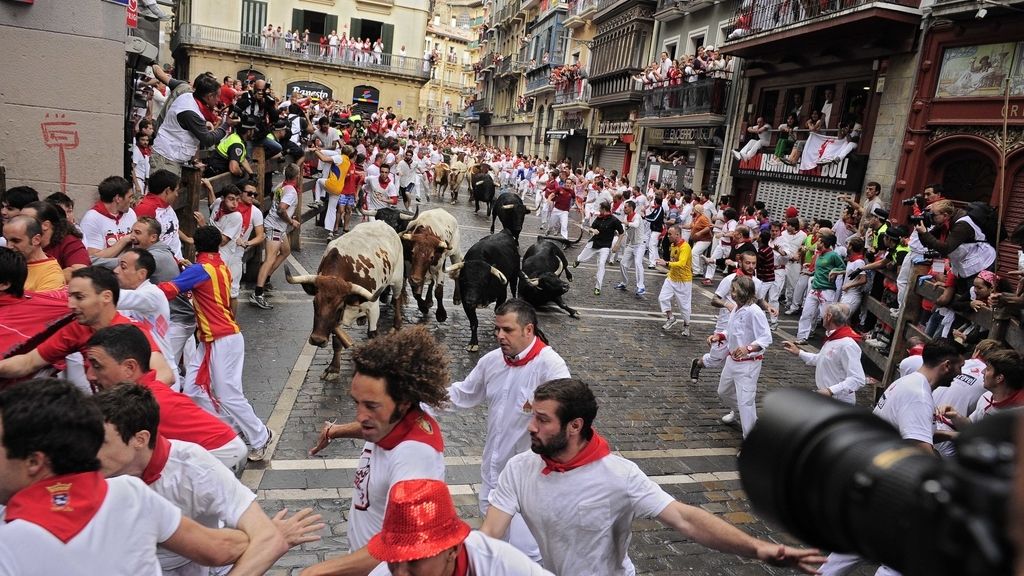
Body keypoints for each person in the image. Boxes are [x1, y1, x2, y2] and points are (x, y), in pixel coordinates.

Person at [481, 378, 824, 576]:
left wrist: (759, 548)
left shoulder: (619, 476)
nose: (530, 426)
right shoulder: (519, 468)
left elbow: (686, 519)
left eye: (542, 419)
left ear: (575, 426)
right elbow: (491, 535)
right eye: (533, 416)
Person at [0, 378, 255, 575]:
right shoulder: (130, 494)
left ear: (34, 462)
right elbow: (220, 549)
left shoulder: (8, 541)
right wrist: (265, 535)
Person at [94, 384, 321, 575]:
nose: (89, 451)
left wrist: (262, 536)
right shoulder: (85, 471)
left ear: (140, 439)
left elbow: (268, 539)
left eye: (101, 442)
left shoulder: (194, 467)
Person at [301, 326, 450, 576]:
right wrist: (335, 431)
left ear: (403, 403)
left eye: (371, 406)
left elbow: (402, 543)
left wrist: (317, 572)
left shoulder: (415, 459)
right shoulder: (391, 421)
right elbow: (373, 425)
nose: (360, 415)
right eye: (356, 403)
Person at [817, 338, 965, 576]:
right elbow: (920, 448)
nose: (960, 374)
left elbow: (910, 429)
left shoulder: (908, 381)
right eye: (959, 366)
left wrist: (948, 435)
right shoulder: (918, 395)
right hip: (894, 482)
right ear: (946, 365)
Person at [440, 299, 568, 561]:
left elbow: (564, 425)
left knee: (525, 556)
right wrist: (416, 401)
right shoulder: (492, 361)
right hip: (492, 475)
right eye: (497, 329)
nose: (499, 335)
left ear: (528, 329)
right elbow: (463, 393)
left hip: (528, 485)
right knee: (494, 552)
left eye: (507, 330)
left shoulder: (551, 367)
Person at [158, 226, 272, 461]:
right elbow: (201, 279)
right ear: (218, 245)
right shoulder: (219, 266)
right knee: (193, 390)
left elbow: (168, 290)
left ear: (195, 246)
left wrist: (139, 288)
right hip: (215, 339)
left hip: (222, 339)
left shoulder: (199, 270)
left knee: (227, 393)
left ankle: (260, 436)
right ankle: (231, 429)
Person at [84, 323, 249, 472]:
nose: (90, 375)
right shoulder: (133, 398)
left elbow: (233, 448)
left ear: (129, 367)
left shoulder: (152, 402)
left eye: (97, 366)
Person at [0, 266, 175, 386]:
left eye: (79, 297)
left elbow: (165, 376)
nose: (70, 305)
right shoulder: (77, 328)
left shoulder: (132, 332)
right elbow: (28, 362)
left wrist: (123, 405)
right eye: (70, 297)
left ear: (106, 297)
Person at [366, 479, 554, 576]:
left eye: (414, 561)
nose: (399, 573)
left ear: (453, 549)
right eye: (393, 559)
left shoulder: (502, 565)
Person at [712, 275, 772, 438]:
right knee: (723, 392)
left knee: (746, 402)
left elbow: (766, 338)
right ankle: (745, 414)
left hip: (748, 364)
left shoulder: (755, 312)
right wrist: (720, 336)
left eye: (734, 290)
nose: (731, 293)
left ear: (744, 292)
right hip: (732, 360)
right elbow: (732, 330)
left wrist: (748, 348)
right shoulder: (736, 308)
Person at [112, 247, 178, 386]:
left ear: (141, 274)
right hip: (138, 375)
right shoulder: (128, 294)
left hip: (162, 375)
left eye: (123, 267)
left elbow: (112, 299)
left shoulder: (153, 294)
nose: (116, 270)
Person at [150, 70, 237, 176]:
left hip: (171, 156)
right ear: (209, 96)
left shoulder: (189, 96)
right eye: (217, 96)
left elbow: (186, 128)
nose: (219, 100)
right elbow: (208, 140)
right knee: (164, 187)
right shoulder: (191, 112)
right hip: (166, 158)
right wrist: (227, 124)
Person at [783, 303, 865, 404]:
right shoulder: (832, 338)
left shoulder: (847, 345)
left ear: (829, 317)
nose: (822, 316)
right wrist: (799, 352)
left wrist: (830, 391)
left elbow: (857, 378)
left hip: (839, 402)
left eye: (824, 313)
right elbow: (821, 359)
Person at [251, 163, 302, 310]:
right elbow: (281, 210)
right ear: (297, 176)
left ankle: (266, 277)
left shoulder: (281, 185)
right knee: (270, 259)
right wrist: (291, 221)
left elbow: (273, 194)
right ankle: (257, 293)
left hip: (278, 227)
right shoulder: (291, 191)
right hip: (275, 227)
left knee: (286, 251)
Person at [20, 200, 89, 282]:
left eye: (27, 222)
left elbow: (79, 272)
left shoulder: (69, 242)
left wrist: (39, 279)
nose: (19, 225)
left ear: (45, 225)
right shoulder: (18, 242)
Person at [795, 233, 846, 344]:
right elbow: (820, 269)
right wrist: (810, 270)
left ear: (824, 244)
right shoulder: (819, 255)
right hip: (815, 289)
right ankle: (802, 337)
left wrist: (834, 272)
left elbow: (843, 268)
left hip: (827, 290)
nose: (816, 243)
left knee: (827, 316)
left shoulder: (833, 255)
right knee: (806, 313)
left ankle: (833, 338)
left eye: (819, 241)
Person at [134, 169, 187, 260]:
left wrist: (187, 239)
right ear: (167, 191)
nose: (177, 194)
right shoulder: (146, 209)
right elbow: (139, 241)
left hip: (176, 260)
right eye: (176, 190)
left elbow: (170, 227)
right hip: (161, 262)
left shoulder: (166, 205)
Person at [573, 201, 624, 296]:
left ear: (604, 209)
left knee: (601, 265)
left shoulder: (614, 220)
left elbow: (622, 232)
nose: (599, 210)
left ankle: (598, 287)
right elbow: (590, 229)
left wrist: (617, 244)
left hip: (605, 246)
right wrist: (593, 230)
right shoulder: (599, 218)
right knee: (581, 258)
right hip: (594, 243)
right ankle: (578, 260)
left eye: (600, 209)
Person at [80, 176, 137, 259]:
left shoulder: (130, 213)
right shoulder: (92, 218)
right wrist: (124, 240)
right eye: (130, 197)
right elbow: (93, 258)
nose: (132, 200)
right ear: (118, 198)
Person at [3, 215, 65, 291]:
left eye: (16, 241)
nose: (9, 246)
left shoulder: (52, 274)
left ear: (36, 240)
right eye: (6, 240)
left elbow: (44, 299)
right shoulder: (8, 263)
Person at [211, 185, 245, 314]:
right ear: (222, 198)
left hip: (227, 259)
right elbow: (211, 205)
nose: (235, 203)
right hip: (213, 256)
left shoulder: (236, 216)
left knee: (231, 293)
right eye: (231, 199)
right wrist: (210, 188)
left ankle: (232, 321)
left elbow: (222, 241)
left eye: (237, 199)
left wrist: (204, 226)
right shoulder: (218, 204)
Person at [655, 224, 693, 336]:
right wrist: (667, 265)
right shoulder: (672, 245)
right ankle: (671, 318)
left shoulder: (685, 247)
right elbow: (673, 261)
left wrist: (666, 263)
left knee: (684, 306)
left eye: (670, 234)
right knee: (662, 298)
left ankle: (687, 325)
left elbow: (681, 263)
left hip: (684, 281)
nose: (668, 236)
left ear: (677, 234)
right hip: (671, 278)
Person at [615, 200, 647, 296]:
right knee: (623, 263)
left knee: (638, 263)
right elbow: (624, 232)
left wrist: (626, 223)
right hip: (631, 244)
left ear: (631, 208)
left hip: (640, 244)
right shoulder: (626, 217)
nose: (624, 209)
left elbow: (635, 225)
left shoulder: (637, 216)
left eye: (626, 207)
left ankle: (641, 287)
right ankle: (624, 283)